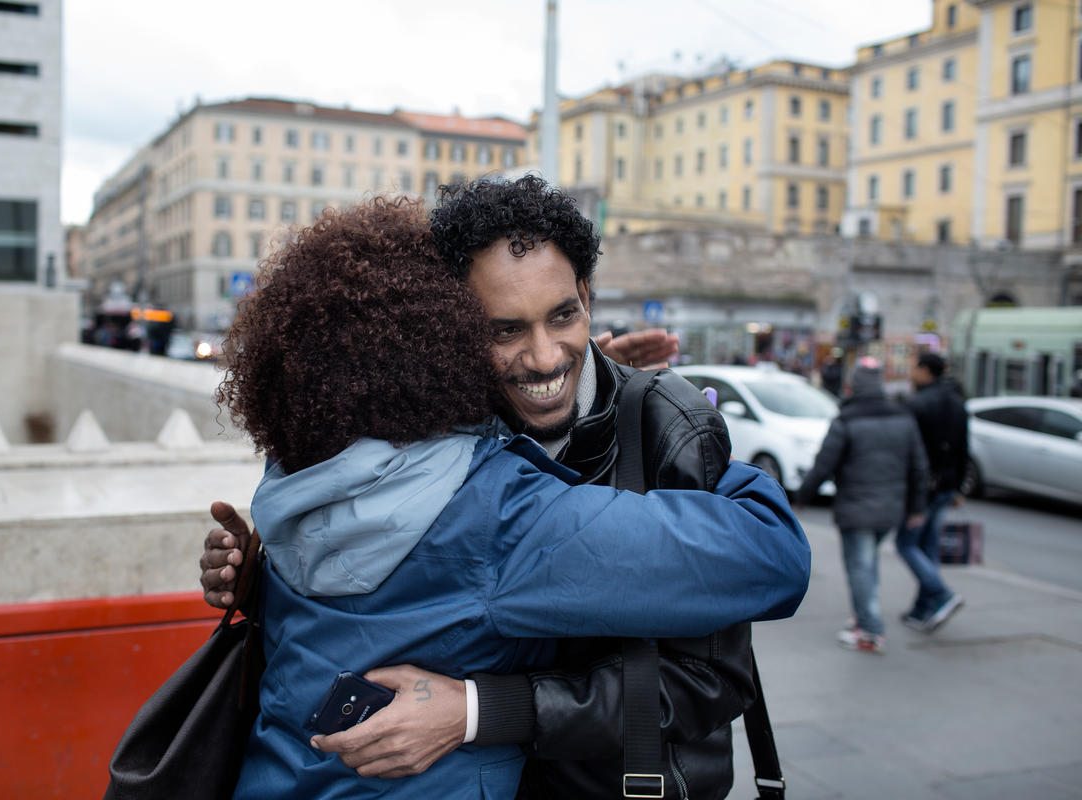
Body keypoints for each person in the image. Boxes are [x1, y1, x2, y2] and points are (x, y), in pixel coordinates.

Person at [203, 176, 810, 799]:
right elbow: (776, 554)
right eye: (504, 331)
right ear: (446, 338)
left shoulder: (295, 473)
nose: (544, 356)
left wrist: (256, 580)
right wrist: (694, 423)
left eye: (563, 315)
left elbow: (354, 616)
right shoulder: (492, 508)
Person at [795, 357, 929, 653]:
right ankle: (864, 616)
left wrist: (802, 496)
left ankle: (869, 630)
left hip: (855, 508)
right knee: (868, 565)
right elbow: (918, 466)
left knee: (860, 568)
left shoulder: (847, 419)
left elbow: (824, 464)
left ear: (853, 385)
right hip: (891, 508)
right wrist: (916, 507)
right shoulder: (902, 417)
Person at [896, 352, 967, 632]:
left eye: (915, 367)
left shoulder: (918, 404)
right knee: (927, 546)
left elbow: (910, 454)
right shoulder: (957, 402)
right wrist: (958, 487)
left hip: (922, 489)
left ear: (925, 371)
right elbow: (963, 448)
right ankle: (923, 608)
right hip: (946, 486)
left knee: (906, 544)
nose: (911, 372)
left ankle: (941, 594)